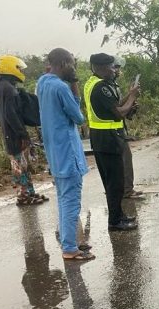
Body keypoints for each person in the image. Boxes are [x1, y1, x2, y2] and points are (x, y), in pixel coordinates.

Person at [37, 48, 94, 261]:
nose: (73, 68)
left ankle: (69, 241)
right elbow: (78, 117)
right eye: (71, 64)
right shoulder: (61, 87)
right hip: (67, 152)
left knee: (63, 199)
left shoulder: (42, 83)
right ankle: (69, 248)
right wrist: (74, 83)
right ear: (63, 64)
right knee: (71, 200)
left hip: (54, 152)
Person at [84, 53, 140, 231]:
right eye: (111, 67)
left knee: (114, 181)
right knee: (114, 183)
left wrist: (130, 100)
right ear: (100, 68)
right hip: (107, 139)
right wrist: (131, 96)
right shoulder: (101, 87)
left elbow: (114, 107)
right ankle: (115, 221)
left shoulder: (93, 83)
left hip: (103, 137)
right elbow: (119, 113)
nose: (113, 70)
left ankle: (119, 216)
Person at [0, 55, 48, 206]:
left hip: (11, 134)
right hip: (16, 135)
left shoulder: (2, 87)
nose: (20, 71)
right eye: (18, 68)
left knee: (24, 164)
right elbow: (11, 114)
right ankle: (23, 196)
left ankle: (29, 192)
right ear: (10, 68)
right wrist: (21, 133)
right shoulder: (9, 90)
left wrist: (5, 128)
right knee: (20, 166)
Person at [112, 57, 144, 199]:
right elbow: (118, 110)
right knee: (125, 160)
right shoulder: (104, 86)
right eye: (115, 67)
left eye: (118, 68)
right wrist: (131, 98)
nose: (118, 71)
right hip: (113, 131)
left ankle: (124, 189)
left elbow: (118, 104)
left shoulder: (112, 85)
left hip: (115, 130)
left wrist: (130, 96)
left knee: (122, 161)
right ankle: (127, 191)